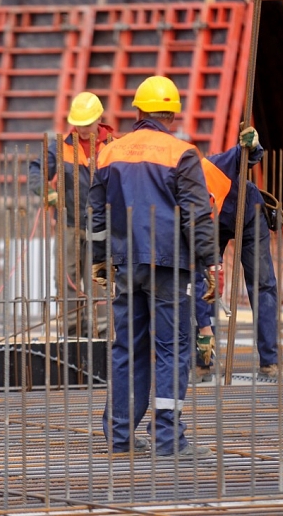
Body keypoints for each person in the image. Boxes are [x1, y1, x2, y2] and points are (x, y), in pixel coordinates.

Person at [88, 75, 222, 459]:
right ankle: (167, 438)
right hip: (170, 266)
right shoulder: (182, 153)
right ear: (173, 115)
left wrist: (99, 259)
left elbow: (97, 212)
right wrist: (210, 264)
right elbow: (196, 217)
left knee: (127, 347)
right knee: (172, 349)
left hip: (126, 263)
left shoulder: (111, 152)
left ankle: (119, 435)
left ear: (138, 112)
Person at [192, 126, 283, 382]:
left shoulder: (209, 167)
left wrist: (252, 144)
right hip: (212, 227)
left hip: (249, 215)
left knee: (263, 284)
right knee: (203, 285)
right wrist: (203, 327)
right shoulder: (184, 209)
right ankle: (203, 361)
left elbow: (245, 155)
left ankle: (270, 362)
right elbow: (195, 279)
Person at [28, 92, 113, 338]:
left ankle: (104, 334)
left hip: (103, 227)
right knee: (67, 281)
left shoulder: (112, 146)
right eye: (78, 124)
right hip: (70, 224)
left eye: (87, 124)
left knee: (100, 280)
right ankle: (74, 334)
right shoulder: (61, 147)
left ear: (99, 119)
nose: (83, 129)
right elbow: (37, 168)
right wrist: (46, 192)